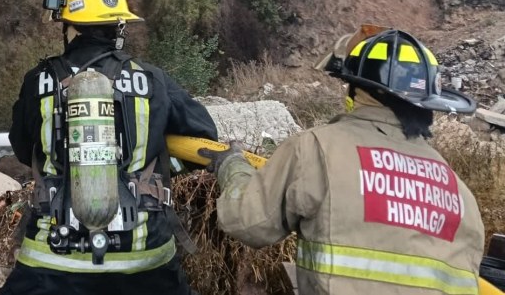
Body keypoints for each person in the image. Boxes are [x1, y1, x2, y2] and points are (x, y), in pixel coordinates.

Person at [201, 25, 485, 295]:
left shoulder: (316, 149)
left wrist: (232, 165)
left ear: (356, 90)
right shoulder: (459, 191)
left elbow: (249, 221)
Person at [0, 0, 218, 295]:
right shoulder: (152, 80)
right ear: (117, 30)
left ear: (69, 29)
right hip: (145, 261)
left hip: (53, 265)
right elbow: (205, 136)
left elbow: (21, 148)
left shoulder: (38, 82)